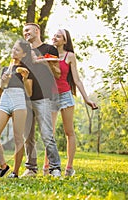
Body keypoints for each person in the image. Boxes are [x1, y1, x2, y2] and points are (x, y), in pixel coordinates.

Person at [43, 29, 98, 176]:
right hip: (51, 97)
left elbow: (77, 80)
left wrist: (87, 99)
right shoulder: (48, 55)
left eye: (59, 36)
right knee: (49, 133)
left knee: (69, 132)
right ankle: (47, 166)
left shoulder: (70, 56)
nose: (55, 37)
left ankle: (69, 167)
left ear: (65, 41)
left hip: (66, 96)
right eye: (54, 35)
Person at [22, 23, 62, 177]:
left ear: (37, 31)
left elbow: (57, 74)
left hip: (44, 97)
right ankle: (31, 168)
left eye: (27, 30)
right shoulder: (24, 52)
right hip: (26, 98)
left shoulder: (49, 49)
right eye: (24, 31)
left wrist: (45, 62)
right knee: (28, 136)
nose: (25, 33)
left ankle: (54, 168)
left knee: (46, 134)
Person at [0, 39, 33, 178]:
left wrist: (25, 79)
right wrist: (3, 82)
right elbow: (1, 91)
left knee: (18, 138)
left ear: (24, 54)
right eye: (13, 48)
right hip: (5, 99)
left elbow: (29, 93)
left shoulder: (26, 70)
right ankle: (3, 165)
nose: (13, 51)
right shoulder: (5, 69)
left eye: (17, 50)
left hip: (19, 100)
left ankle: (15, 172)